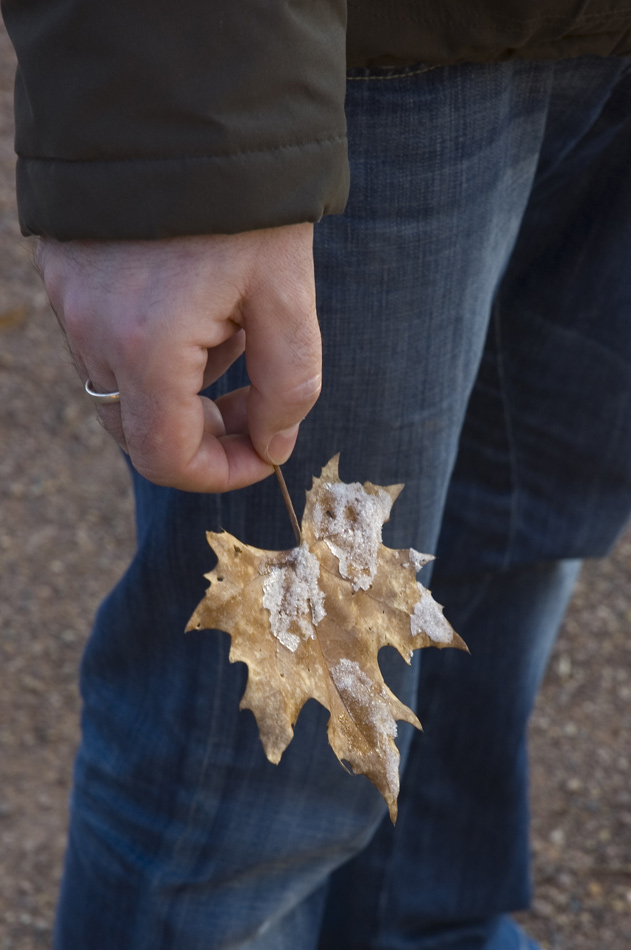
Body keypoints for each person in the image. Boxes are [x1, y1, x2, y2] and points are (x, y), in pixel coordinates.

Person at [3, 2, 631, 947]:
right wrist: (176, 129)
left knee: (516, 540)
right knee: (246, 788)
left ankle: (432, 926)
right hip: (335, 62)